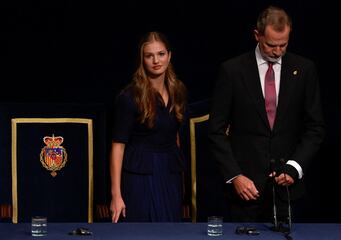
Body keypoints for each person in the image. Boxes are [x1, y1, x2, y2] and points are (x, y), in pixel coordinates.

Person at [208, 6, 325, 223]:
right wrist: (235, 176)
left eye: (284, 45)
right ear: (257, 35)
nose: (278, 51)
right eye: (271, 45)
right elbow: (215, 131)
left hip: (286, 189)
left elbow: (315, 127)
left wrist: (295, 167)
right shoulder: (232, 71)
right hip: (244, 190)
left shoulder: (304, 69)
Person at [109, 31, 187, 222]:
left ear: (169, 56)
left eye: (161, 54)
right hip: (140, 176)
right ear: (142, 59)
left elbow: (175, 136)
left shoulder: (179, 91)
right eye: (149, 55)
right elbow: (118, 147)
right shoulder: (130, 97)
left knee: (172, 233)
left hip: (170, 175)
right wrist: (116, 195)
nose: (156, 60)